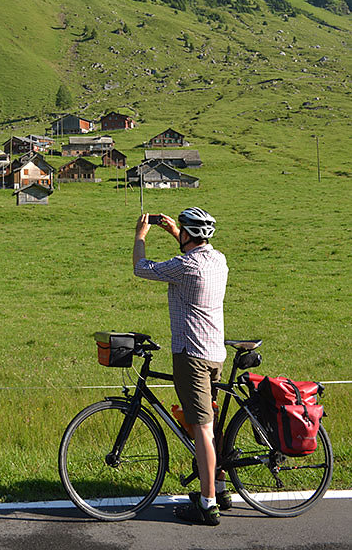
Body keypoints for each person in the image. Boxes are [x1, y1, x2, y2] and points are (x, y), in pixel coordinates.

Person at [133, 206, 229, 526]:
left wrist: (141, 236)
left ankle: (208, 504)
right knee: (209, 422)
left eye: (183, 232)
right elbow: (193, 252)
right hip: (215, 353)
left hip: (191, 356)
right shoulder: (218, 260)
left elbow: (141, 268)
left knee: (201, 427)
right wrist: (176, 233)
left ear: (190, 235)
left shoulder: (185, 266)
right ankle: (220, 485)